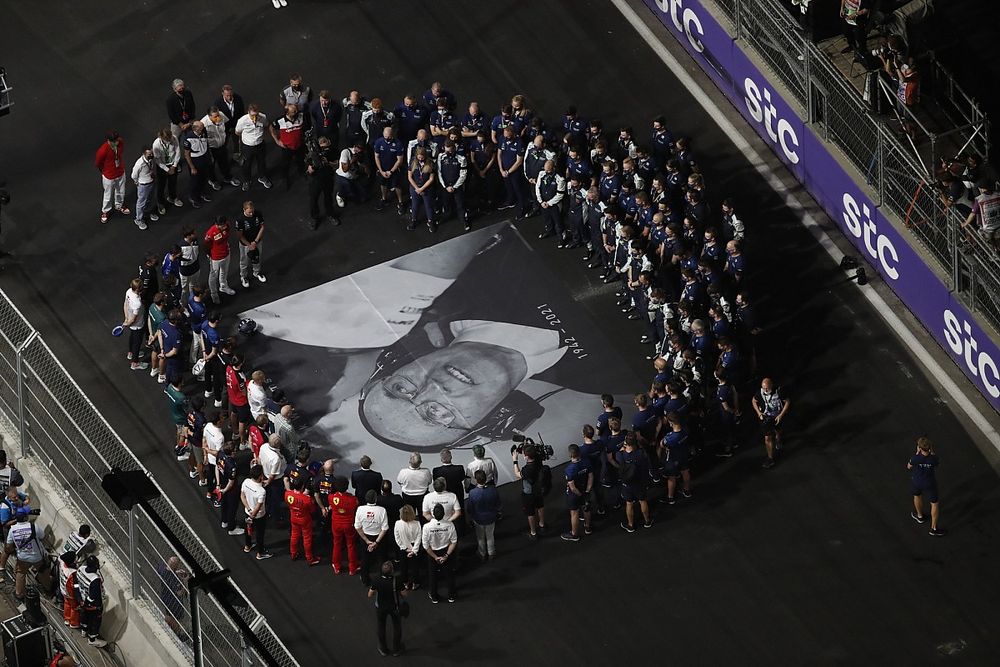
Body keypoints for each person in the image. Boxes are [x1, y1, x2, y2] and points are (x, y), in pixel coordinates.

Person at [421, 503, 458, 603]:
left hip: (433, 552)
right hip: (446, 550)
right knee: (449, 574)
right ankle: (451, 595)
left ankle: (434, 596)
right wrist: (446, 556)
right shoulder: (450, 525)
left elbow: (425, 546)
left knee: (432, 575)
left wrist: (435, 557)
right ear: (444, 514)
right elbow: (454, 542)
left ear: (433, 514)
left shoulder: (426, 527)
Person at [368, 561, 406, 657]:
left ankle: (383, 649)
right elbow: (405, 594)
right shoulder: (397, 581)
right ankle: (396, 649)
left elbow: (370, 594)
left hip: (380, 607)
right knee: (397, 627)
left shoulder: (376, 580)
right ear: (392, 571)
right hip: (394, 607)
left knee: (381, 626)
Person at [908, 437, 943, 536]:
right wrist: (932, 453)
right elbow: (936, 464)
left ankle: (920, 516)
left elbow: (909, 466)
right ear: (930, 448)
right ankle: (934, 528)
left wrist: (916, 455)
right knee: (934, 503)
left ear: (919, 448)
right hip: (929, 483)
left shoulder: (915, 458)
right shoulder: (934, 459)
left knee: (917, 496)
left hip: (917, 481)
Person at [617, 432, 652, 532]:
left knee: (629, 503)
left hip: (627, 484)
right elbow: (646, 464)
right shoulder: (641, 453)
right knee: (643, 501)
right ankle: (647, 521)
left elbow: (617, 458)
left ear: (625, 442)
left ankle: (631, 525)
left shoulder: (620, 455)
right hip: (639, 483)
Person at [752, 377, 789, 469]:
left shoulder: (779, 391)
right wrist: (759, 413)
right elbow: (753, 401)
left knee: (778, 431)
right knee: (767, 438)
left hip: (777, 416)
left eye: (767, 388)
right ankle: (770, 458)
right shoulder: (759, 393)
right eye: (763, 388)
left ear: (771, 385)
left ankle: (778, 440)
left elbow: (787, 401)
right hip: (766, 418)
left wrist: (781, 415)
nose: (765, 390)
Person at [511, 442, 546, 539]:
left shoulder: (527, 469)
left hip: (529, 493)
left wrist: (515, 461)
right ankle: (542, 524)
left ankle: (533, 532)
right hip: (539, 489)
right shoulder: (538, 459)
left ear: (526, 457)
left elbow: (517, 474)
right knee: (540, 506)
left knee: (530, 513)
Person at [355, 489, 389, 586]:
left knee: (365, 559)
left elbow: (357, 527)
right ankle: (383, 579)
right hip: (379, 537)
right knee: (381, 559)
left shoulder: (360, 509)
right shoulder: (382, 510)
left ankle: (365, 579)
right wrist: (376, 542)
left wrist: (366, 541)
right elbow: (385, 528)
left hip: (365, 537)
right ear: (376, 499)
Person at [305, 135, 340, 230]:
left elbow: (337, 164)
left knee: (328, 197)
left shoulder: (333, 151)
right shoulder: (313, 153)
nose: (325, 147)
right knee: (313, 199)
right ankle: (314, 218)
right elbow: (307, 163)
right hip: (315, 180)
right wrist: (309, 167)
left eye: (326, 144)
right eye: (322, 146)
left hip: (328, 178)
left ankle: (330, 214)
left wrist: (328, 162)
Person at [466, 469, 500, 560]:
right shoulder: (493, 490)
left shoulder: (473, 493)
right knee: (490, 535)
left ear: (476, 480)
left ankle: (482, 553)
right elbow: (498, 504)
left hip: (478, 519)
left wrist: (471, 515)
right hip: (491, 517)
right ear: (486, 479)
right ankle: (491, 552)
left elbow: (470, 507)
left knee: (480, 537)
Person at [201, 106, 240, 188]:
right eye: (215, 116)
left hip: (222, 145)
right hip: (211, 148)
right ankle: (213, 180)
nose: (218, 117)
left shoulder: (221, 115)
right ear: (209, 116)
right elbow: (202, 140)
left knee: (224, 162)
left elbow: (227, 124)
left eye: (218, 115)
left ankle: (227, 177)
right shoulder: (203, 124)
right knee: (211, 165)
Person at [269, 103, 306, 190]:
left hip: (299, 146)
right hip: (287, 148)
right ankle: (285, 178)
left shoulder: (301, 116)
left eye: (296, 110)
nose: (296, 112)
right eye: (293, 112)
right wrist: (277, 140)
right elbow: (271, 128)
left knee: (301, 161)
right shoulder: (280, 120)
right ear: (287, 113)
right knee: (285, 164)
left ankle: (302, 173)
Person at [95, 131, 129, 223]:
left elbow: (120, 153)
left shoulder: (120, 142)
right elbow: (98, 163)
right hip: (109, 175)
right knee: (108, 194)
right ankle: (105, 211)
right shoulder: (103, 150)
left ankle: (119, 205)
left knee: (121, 191)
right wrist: (105, 171)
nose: (116, 142)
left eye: (117, 140)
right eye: (114, 141)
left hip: (120, 172)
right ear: (108, 140)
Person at [235, 104, 271, 191]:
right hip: (247, 147)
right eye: (252, 115)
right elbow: (237, 132)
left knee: (261, 162)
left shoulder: (263, 117)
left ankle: (262, 177)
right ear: (248, 113)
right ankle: (247, 181)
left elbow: (266, 125)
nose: (255, 117)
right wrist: (247, 139)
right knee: (246, 164)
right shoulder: (242, 121)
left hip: (260, 144)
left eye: (256, 115)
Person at [329, 476, 360, 575]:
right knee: (350, 545)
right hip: (348, 525)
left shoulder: (331, 497)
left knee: (337, 544)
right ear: (347, 487)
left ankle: (337, 566)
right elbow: (356, 506)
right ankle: (352, 568)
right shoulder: (353, 499)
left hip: (336, 524)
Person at [286, 476, 321, 565]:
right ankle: (310, 558)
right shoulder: (307, 499)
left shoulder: (287, 494)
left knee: (294, 535)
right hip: (305, 520)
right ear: (302, 487)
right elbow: (312, 510)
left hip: (293, 517)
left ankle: (293, 553)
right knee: (307, 538)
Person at [562, 443, 593, 542]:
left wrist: (580, 494)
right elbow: (591, 477)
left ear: (570, 455)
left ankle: (574, 534)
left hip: (574, 494)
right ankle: (588, 528)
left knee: (574, 513)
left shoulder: (569, 469)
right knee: (586, 508)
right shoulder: (586, 462)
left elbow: (572, 487)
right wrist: (587, 491)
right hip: (585, 490)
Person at [372, 126, 406, 215]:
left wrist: (391, 171)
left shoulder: (398, 144)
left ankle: (400, 202)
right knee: (383, 184)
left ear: (392, 135)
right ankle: (384, 198)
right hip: (382, 169)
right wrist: (381, 170)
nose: (387, 138)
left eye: (389, 136)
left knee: (397, 185)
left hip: (394, 170)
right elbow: (376, 156)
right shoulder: (379, 142)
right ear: (383, 134)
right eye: (385, 136)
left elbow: (400, 160)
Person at [661, 412, 692, 504]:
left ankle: (670, 497)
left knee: (671, 477)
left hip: (673, 459)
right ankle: (686, 490)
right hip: (684, 454)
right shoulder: (686, 430)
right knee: (685, 472)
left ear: (671, 423)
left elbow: (662, 444)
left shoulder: (671, 437)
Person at [437, 139, 469, 230]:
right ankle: (446, 216)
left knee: (460, 204)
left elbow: (463, 175)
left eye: (450, 151)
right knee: (445, 202)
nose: (448, 153)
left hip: (457, 186)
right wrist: (445, 186)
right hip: (445, 186)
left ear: (454, 149)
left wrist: (454, 186)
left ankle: (463, 219)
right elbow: (439, 172)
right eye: (446, 150)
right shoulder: (441, 156)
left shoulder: (461, 159)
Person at [75, 555, 107, 647]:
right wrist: (95, 605)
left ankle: (84, 631)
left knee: (85, 617)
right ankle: (92, 639)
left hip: (81, 599)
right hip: (92, 605)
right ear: (96, 566)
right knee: (95, 621)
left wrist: (80, 600)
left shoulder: (81, 569)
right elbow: (93, 596)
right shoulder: (95, 580)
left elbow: (76, 584)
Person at [241, 464, 271, 559]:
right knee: (259, 534)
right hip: (258, 516)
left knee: (248, 530)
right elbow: (258, 507)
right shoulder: (261, 491)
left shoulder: (246, 482)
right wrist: (253, 515)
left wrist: (249, 510)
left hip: (247, 512)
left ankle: (247, 546)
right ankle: (260, 552)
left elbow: (242, 496)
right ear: (261, 476)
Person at [204, 215, 235, 304]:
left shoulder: (227, 226)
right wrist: (209, 254)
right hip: (215, 258)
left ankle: (223, 286)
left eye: (225, 224)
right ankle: (214, 294)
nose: (225, 226)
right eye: (223, 225)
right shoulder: (211, 233)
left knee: (224, 272)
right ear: (217, 225)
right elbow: (206, 244)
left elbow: (226, 234)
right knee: (213, 276)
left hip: (226, 254)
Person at [235, 200, 267, 287]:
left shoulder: (258, 213)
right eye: (249, 212)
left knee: (257, 257)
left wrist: (256, 241)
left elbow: (262, 227)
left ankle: (257, 273)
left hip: (257, 242)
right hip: (245, 244)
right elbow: (240, 235)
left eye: (252, 211)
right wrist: (249, 245)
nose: (251, 214)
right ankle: (243, 277)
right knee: (244, 261)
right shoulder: (240, 219)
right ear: (244, 210)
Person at [182, 120, 212, 208]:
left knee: (204, 178)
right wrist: (192, 167)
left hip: (204, 159)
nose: (203, 129)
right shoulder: (188, 139)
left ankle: (202, 193)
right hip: (195, 161)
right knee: (195, 181)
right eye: (201, 128)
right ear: (196, 129)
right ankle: (193, 197)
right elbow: (186, 155)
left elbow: (206, 145)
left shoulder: (203, 133)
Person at [406, 146, 436, 232]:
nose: (420, 158)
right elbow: (409, 177)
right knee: (415, 205)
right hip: (415, 187)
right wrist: (417, 188)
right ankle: (413, 220)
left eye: (422, 157)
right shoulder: (412, 161)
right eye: (419, 157)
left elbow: (431, 179)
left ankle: (431, 222)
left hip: (427, 188)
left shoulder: (430, 163)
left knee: (428, 206)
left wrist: (422, 189)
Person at [536, 159, 566, 243]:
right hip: (543, 202)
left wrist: (549, 203)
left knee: (558, 221)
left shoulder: (560, 179)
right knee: (547, 218)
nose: (546, 172)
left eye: (548, 170)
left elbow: (560, 195)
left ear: (553, 168)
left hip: (555, 204)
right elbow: (537, 187)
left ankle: (561, 237)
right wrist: (541, 201)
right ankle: (549, 231)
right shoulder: (541, 174)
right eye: (545, 169)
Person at [122, 278, 149, 371]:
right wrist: (128, 323)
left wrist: (126, 319)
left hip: (130, 321)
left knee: (132, 337)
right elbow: (134, 319)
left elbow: (125, 304)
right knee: (137, 343)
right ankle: (135, 363)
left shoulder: (129, 292)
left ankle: (131, 353)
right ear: (138, 289)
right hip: (138, 325)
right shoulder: (137, 302)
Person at [393, 504, 422, 590]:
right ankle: (415, 583)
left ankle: (405, 582)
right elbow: (418, 538)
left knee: (403, 566)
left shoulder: (397, 523)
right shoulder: (417, 524)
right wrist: (414, 550)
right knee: (415, 566)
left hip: (403, 548)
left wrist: (405, 548)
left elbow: (397, 538)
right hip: (414, 547)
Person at [260, 434, 287, 525]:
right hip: (275, 481)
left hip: (265, 474)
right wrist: (268, 482)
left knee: (269, 497)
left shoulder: (263, 447)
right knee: (276, 499)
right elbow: (273, 475)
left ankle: (270, 510)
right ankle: (276, 518)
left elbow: (259, 459)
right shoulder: (275, 459)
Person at [217, 440, 242, 534]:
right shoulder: (231, 465)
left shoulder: (220, 455)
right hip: (230, 489)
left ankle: (224, 521)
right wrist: (225, 490)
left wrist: (219, 484)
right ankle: (232, 528)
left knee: (224, 504)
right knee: (232, 507)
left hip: (222, 483)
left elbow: (217, 467)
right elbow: (231, 482)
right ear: (232, 452)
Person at [130, 146, 158, 230]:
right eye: (149, 154)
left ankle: (147, 212)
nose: (151, 155)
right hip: (143, 185)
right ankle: (138, 219)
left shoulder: (150, 160)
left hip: (151, 182)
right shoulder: (139, 163)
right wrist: (137, 182)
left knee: (150, 199)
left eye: (152, 153)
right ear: (144, 154)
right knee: (141, 203)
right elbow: (133, 175)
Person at [59, 551, 80, 630]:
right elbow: (75, 587)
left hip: (63, 589)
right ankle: (73, 623)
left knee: (67, 604)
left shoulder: (63, 564)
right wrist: (78, 599)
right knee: (74, 607)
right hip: (70, 594)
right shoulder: (72, 573)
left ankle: (67, 619)